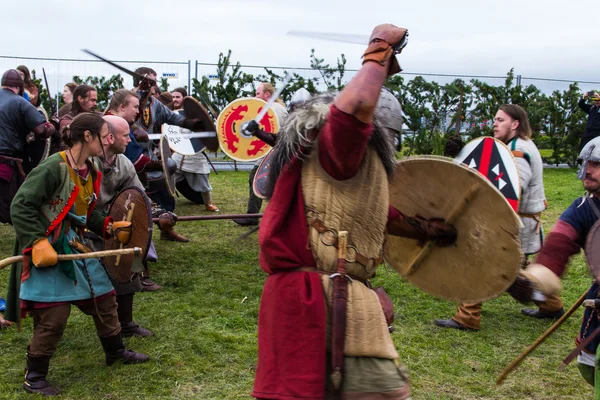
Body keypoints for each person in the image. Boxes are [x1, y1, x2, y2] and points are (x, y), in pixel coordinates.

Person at [252, 24, 460, 399]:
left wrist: (425, 229)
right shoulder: (338, 146)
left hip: (327, 293)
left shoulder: (347, 166)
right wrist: (379, 52)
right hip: (315, 298)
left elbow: (377, 214)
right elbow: (356, 108)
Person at [5, 112, 148, 396]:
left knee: (105, 300)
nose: (108, 139)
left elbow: (87, 211)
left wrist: (107, 225)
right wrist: (38, 241)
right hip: (47, 249)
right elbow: (21, 205)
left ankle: (115, 352)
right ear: (87, 136)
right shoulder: (53, 167)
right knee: (54, 315)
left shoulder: (91, 169)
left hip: (74, 245)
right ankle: (34, 376)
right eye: (104, 134)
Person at [435, 104, 555, 331]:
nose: (495, 123)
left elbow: (513, 189)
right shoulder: (513, 146)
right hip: (520, 221)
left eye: (501, 120)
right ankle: (550, 304)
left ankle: (468, 316)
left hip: (515, 221)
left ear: (515, 124)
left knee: (478, 261)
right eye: (495, 119)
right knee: (517, 267)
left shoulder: (518, 151)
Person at [521, 136, 600, 392]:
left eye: (597, 164)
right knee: (591, 364)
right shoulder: (583, 208)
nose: (588, 169)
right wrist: (531, 281)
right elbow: (557, 247)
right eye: (587, 162)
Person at [90, 115, 154, 336]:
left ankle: (126, 324)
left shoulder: (124, 162)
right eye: (125, 135)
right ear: (109, 138)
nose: (130, 139)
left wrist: (158, 214)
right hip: (84, 230)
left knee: (127, 264)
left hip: (115, 227)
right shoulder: (87, 163)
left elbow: (138, 197)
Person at [0, 69, 55, 224]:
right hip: (5, 167)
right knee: (17, 212)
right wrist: (53, 126)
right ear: (20, 87)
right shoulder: (21, 103)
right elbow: (41, 131)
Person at [233, 82, 288, 226]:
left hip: (276, 152)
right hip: (275, 151)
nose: (255, 96)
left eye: (258, 93)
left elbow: (276, 135)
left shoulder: (274, 109)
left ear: (267, 94)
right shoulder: (272, 108)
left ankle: (253, 216)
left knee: (257, 178)